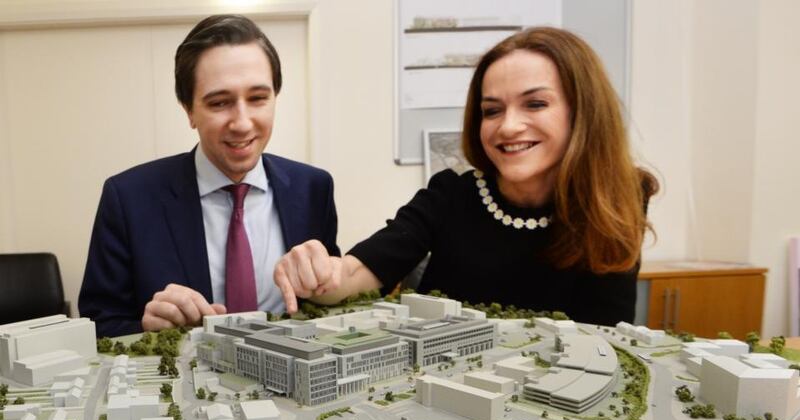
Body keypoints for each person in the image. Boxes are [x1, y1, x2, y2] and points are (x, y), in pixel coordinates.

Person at [274, 27, 657, 325]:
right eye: (492, 111)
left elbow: (607, 334)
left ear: (582, 112)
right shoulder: (450, 194)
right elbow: (358, 272)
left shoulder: (620, 198)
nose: (508, 126)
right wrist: (317, 272)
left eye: (535, 104)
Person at [80, 15, 339, 337]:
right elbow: (98, 325)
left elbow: (328, 301)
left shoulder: (313, 188)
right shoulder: (129, 198)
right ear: (189, 110)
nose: (242, 123)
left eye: (258, 98)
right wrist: (145, 329)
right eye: (220, 103)